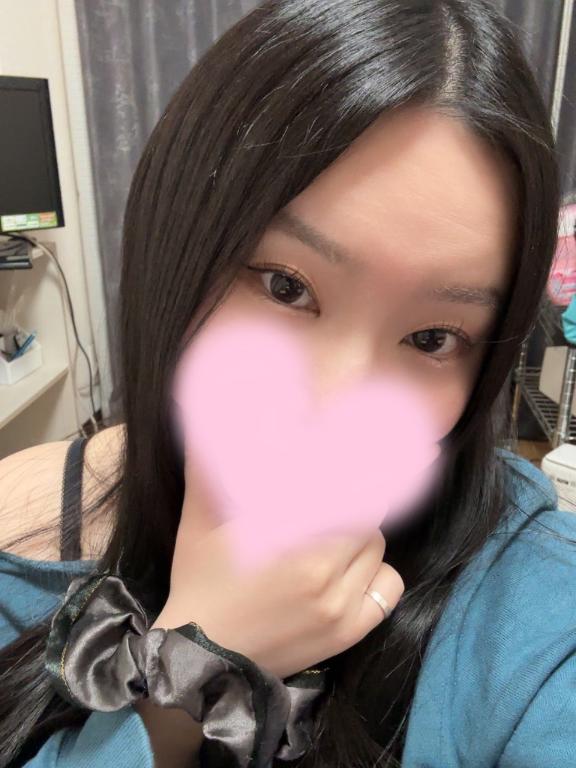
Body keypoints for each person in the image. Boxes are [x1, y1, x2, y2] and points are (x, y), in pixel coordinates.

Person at [0, 0, 575, 766]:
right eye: (285, 286)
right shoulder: (24, 530)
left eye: (432, 339)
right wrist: (198, 664)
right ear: (179, 244)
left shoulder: (531, 607)